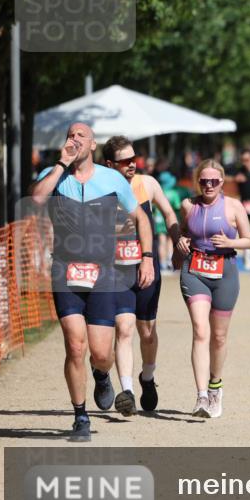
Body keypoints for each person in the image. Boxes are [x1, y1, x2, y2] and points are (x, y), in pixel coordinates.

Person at [30, 123, 155, 442]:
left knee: (101, 353)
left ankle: (101, 374)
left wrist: (148, 256)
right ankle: (80, 415)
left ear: (93, 145)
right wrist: (60, 164)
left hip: (104, 273)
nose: (74, 140)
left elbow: (139, 217)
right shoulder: (55, 174)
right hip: (65, 270)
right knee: (75, 344)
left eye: (80, 136)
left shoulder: (112, 178)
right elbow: (37, 199)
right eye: (70, 136)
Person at [103, 136, 182, 415]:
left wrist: (177, 242)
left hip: (147, 267)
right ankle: (127, 393)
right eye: (126, 161)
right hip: (116, 270)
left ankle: (147, 377)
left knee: (146, 333)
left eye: (134, 159)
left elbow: (169, 213)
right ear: (110, 164)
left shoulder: (147, 184)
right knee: (123, 329)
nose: (132, 165)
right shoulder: (100, 187)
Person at [176, 160, 250, 417]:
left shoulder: (233, 206)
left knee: (218, 337)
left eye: (214, 181)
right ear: (197, 181)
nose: (208, 185)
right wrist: (182, 241)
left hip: (225, 272)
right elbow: (182, 232)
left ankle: (214, 387)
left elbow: (249, 240)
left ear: (222, 182)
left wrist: (230, 241)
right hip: (195, 271)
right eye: (204, 181)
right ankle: (200, 397)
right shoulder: (188, 205)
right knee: (200, 330)